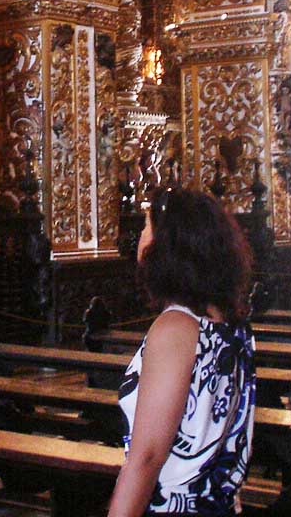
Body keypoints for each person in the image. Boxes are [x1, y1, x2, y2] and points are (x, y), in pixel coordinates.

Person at [109, 188, 256, 517]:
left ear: (167, 246)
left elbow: (147, 456)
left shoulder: (175, 329)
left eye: (147, 228)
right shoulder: (233, 326)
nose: (140, 237)